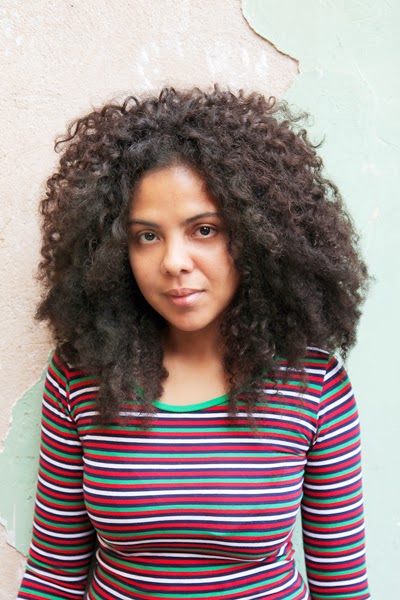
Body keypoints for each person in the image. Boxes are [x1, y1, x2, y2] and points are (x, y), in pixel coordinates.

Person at [18, 87, 371, 600]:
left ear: (259, 236)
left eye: (204, 229)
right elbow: (54, 573)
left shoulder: (313, 383)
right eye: (147, 236)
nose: (174, 262)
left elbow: (340, 583)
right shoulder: (79, 375)